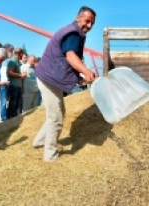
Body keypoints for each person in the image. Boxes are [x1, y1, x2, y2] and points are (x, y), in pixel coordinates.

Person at [33, 6, 96, 162]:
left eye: (92, 23)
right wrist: (87, 72)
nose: (88, 26)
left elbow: (66, 62)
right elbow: (70, 56)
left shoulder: (75, 32)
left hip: (50, 77)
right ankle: (50, 155)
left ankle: (39, 141)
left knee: (58, 113)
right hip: (49, 78)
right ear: (78, 17)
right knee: (56, 118)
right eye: (87, 21)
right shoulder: (73, 33)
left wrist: (79, 78)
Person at [7, 47, 26, 118]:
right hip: (13, 86)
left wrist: (21, 87)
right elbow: (9, 72)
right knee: (12, 105)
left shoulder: (18, 62)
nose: (22, 56)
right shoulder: (12, 61)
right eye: (22, 54)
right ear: (19, 53)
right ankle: (9, 121)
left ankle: (16, 120)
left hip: (18, 86)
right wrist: (21, 75)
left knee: (18, 105)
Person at [0, 43, 13, 121]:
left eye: (12, 51)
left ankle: (8, 115)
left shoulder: (10, 60)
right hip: (3, 83)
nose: (11, 52)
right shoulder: (1, 59)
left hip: (9, 82)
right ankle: (3, 117)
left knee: (9, 100)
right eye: (10, 51)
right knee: (3, 101)